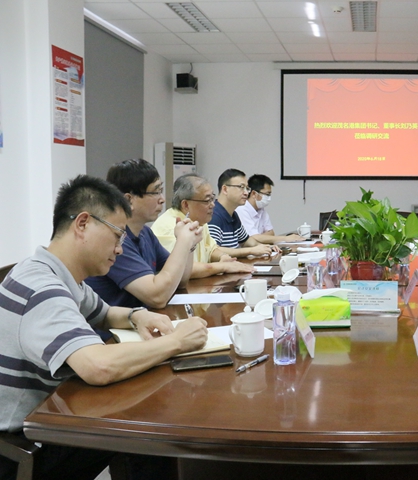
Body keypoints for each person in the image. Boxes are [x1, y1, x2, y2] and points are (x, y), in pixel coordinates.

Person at [0, 175, 208, 480]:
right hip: (21, 449)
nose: (120, 249)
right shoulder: (42, 288)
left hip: (49, 414)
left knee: (143, 410)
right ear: (82, 224)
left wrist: (137, 316)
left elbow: (105, 312)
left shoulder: (58, 274)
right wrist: (177, 341)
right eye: (117, 235)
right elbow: (98, 367)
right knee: (147, 429)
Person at [86, 159, 202, 308]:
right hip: (115, 323)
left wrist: (189, 245)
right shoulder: (114, 240)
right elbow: (157, 297)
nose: (162, 199)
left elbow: (181, 281)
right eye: (156, 192)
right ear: (128, 200)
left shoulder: (145, 233)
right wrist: (183, 242)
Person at [151, 174, 262, 278]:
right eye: (207, 200)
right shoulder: (171, 226)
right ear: (186, 204)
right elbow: (181, 269)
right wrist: (223, 267)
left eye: (212, 198)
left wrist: (222, 257)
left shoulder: (199, 221)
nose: (212, 204)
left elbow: (211, 249)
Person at [210, 170, 296, 249]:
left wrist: (266, 247)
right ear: (225, 189)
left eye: (247, 188)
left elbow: (246, 241)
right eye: (241, 187)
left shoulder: (233, 215)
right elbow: (214, 251)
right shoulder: (213, 215)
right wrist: (252, 250)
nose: (246, 193)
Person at [235, 173, 305, 244]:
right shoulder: (242, 210)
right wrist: (285, 238)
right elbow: (253, 237)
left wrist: (260, 238)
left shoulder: (261, 210)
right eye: (267, 194)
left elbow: (271, 233)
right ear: (254, 194)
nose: (269, 198)